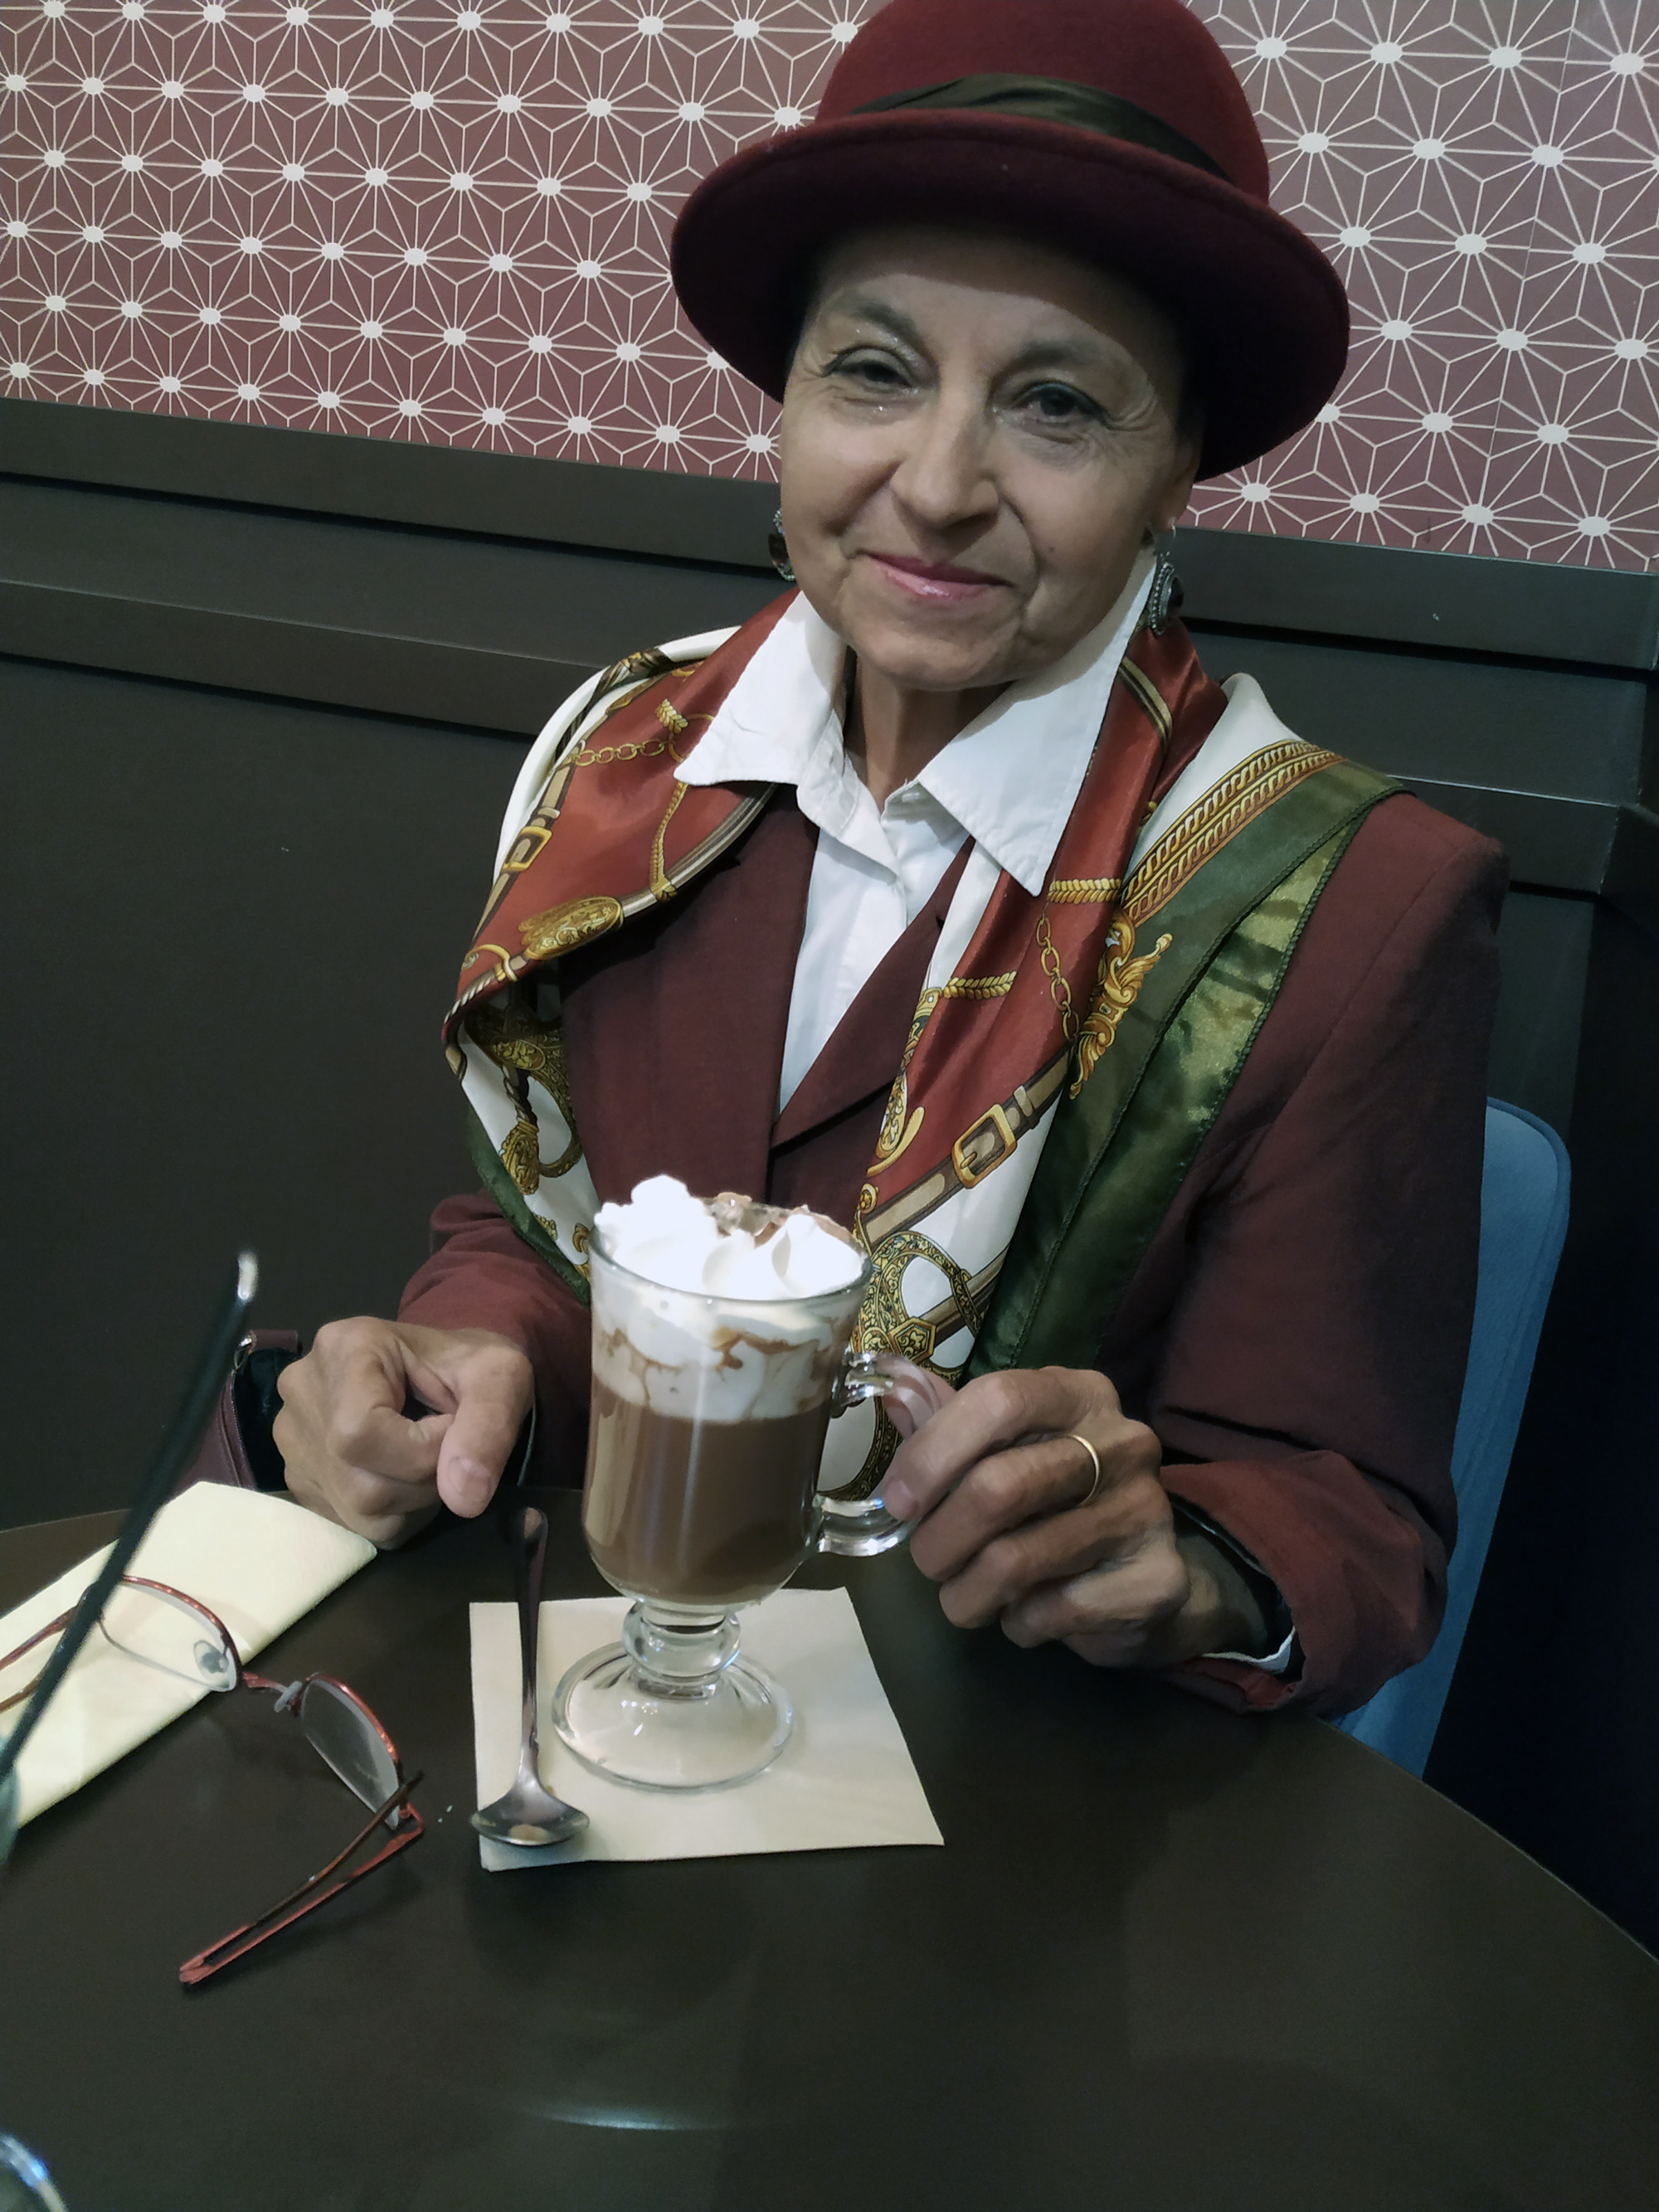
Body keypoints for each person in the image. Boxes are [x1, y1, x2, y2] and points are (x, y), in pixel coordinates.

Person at [274, 0, 1503, 1717]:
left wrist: (1187, 1560)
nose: (935, 485)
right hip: (606, 1684)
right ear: (784, 400)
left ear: (1177, 467)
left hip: (1006, 1775)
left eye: (1056, 405)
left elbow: (1344, 1516)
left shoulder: (1346, 898)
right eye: (874, 372)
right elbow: (550, 1239)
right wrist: (467, 1358)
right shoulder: (620, 760)